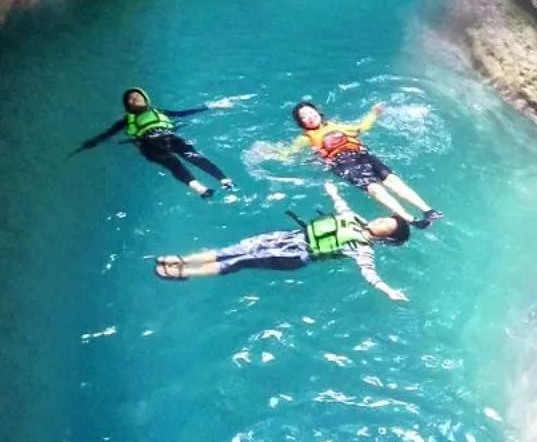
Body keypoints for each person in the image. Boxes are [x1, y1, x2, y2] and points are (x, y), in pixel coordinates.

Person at [155, 184, 412, 299]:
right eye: (383, 219)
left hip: (298, 256)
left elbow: (369, 273)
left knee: (242, 261)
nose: (379, 221)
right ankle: (183, 259)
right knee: (233, 249)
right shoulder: (355, 219)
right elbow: (341, 207)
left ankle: (185, 272)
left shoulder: (363, 248)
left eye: (385, 226)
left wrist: (388, 291)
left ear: (385, 237)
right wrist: (333, 191)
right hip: (289, 237)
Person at [288, 99, 439, 224]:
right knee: (374, 188)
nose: (310, 116)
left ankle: (427, 210)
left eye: (310, 112)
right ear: (301, 123)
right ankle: (409, 218)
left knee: (393, 180)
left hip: (362, 155)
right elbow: (289, 153)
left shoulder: (337, 125)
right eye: (304, 116)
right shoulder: (305, 138)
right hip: (343, 164)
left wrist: (374, 114)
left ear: (318, 111)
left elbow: (361, 127)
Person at [77, 87, 235, 197]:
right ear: (128, 106)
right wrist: (90, 144)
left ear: (146, 99)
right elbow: (107, 134)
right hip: (150, 142)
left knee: (187, 158)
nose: (133, 99)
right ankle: (210, 185)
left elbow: (183, 113)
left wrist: (209, 107)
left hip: (161, 140)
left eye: (136, 97)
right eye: (130, 99)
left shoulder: (157, 112)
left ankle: (215, 183)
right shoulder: (127, 120)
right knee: (180, 161)